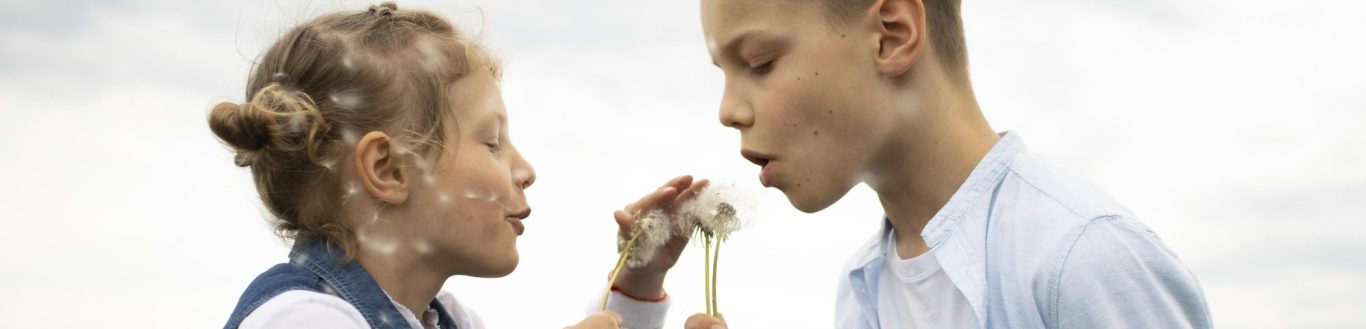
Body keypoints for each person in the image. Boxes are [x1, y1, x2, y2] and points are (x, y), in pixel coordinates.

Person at [620, 0, 1213, 327]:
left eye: (761, 62)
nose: (728, 112)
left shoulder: (1080, 260)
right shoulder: (862, 289)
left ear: (892, 35)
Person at [211, 3, 672, 328]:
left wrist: (638, 279)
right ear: (389, 169)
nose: (526, 169)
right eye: (492, 142)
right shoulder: (302, 318)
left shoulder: (449, 318)